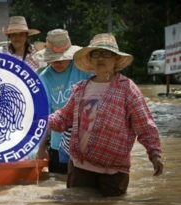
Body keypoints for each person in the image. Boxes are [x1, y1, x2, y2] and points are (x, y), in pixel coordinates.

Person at [47, 33, 163, 196]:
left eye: (106, 53)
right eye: (96, 54)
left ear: (116, 60)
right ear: (90, 60)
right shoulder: (81, 88)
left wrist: (154, 153)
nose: (101, 58)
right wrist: (39, 121)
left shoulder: (128, 89)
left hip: (113, 172)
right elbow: (62, 118)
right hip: (80, 167)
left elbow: (144, 124)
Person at [35, 29, 91, 174]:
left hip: (85, 142)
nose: (58, 61)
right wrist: (41, 149)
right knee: (60, 188)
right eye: (54, 58)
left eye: (62, 58)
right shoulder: (43, 78)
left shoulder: (83, 70)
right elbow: (44, 117)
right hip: (57, 146)